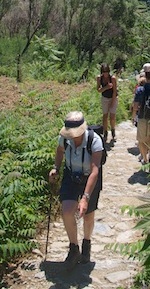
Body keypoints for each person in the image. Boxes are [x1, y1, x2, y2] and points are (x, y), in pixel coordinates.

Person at [49, 111, 104, 270]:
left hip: (90, 178)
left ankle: (86, 243)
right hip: (71, 175)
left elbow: (95, 171)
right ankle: (74, 248)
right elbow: (59, 152)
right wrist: (56, 168)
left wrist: (85, 198)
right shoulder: (64, 139)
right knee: (67, 211)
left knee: (88, 215)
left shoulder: (95, 141)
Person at [97, 62, 118, 142]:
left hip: (113, 97)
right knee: (105, 116)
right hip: (104, 97)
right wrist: (106, 87)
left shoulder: (113, 78)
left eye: (107, 71)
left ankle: (113, 131)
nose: (106, 73)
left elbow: (114, 91)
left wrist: (112, 102)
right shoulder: (99, 78)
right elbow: (99, 90)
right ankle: (105, 132)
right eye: (104, 72)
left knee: (112, 116)